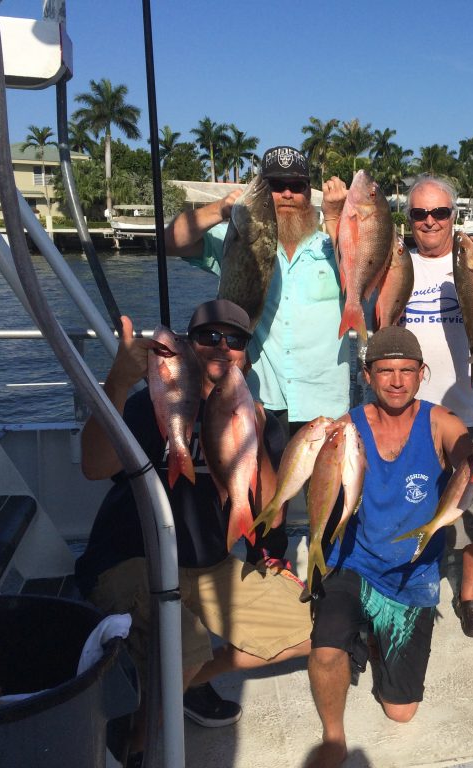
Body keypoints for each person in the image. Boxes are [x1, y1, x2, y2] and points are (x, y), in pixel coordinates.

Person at [76, 300, 313, 765]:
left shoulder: (257, 417)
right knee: (184, 647)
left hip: (211, 566)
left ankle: (181, 685)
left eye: (235, 340)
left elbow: (270, 514)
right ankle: (137, 744)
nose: (222, 347)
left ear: (247, 354)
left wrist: (258, 436)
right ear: (185, 346)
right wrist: (120, 382)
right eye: (209, 337)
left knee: (316, 628)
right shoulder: (152, 403)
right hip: (131, 559)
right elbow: (93, 466)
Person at [165, 145, 349, 566]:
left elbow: (366, 284)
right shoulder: (237, 241)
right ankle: (269, 574)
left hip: (326, 401)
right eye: (274, 187)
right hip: (260, 397)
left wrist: (338, 220)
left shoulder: (332, 245)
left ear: (310, 193)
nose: (285, 196)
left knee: (331, 504)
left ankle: (333, 585)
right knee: (264, 501)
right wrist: (221, 209)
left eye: (296, 187)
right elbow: (173, 241)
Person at [304, 327, 473, 768]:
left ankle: (370, 638)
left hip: (412, 572)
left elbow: (466, 458)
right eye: (385, 371)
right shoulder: (348, 427)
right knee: (325, 652)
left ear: (422, 374)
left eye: (406, 371)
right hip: (353, 561)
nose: (396, 381)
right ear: (367, 375)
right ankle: (333, 735)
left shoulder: (441, 423)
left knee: (401, 712)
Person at [398, 174, 473, 638]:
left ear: (454, 217)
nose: (430, 221)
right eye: (420, 213)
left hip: (468, 409)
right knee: (411, 500)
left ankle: (471, 594)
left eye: (440, 212)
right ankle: (414, 581)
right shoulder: (396, 266)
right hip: (409, 411)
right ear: (409, 219)